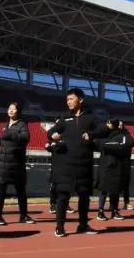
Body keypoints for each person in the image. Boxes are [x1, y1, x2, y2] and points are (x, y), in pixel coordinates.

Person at [46, 88, 107, 237]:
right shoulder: (65, 118)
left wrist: (91, 134)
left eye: (71, 99)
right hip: (65, 165)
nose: (68, 102)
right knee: (63, 196)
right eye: (67, 100)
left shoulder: (91, 117)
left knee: (84, 197)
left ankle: (83, 225)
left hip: (84, 165)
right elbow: (51, 132)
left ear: (80, 100)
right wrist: (53, 135)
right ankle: (60, 226)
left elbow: (104, 129)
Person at [0, 102, 34, 225]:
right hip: (4, 164)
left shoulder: (22, 124)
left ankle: (23, 215)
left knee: (21, 192)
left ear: (18, 111)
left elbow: (26, 138)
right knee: (1, 191)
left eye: (13, 109)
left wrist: (10, 134)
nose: (11, 110)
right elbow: (3, 140)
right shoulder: (6, 125)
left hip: (17, 164)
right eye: (9, 108)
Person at [96, 118, 134, 221]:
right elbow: (96, 142)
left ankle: (114, 211)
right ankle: (100, 211)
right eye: (118, 124)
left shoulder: (125, 136)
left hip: (117, 166)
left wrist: (107, 146)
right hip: (105, 165)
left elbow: (127, 144)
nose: (119, 126)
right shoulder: (105, 134)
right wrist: (108, 144)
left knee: (115, 190)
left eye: (121, 125)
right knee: (104, 189)